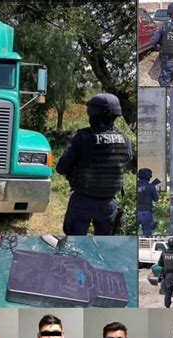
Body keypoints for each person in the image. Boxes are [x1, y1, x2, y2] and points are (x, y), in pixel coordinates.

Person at [56, 93, 133, 235]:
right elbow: (126, 163)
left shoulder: (83, 138)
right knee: (103, 246)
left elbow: (61, 167)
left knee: (75, 244)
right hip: (109, 204)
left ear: (92, 114)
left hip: (82, 202)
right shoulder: (125, 140)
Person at [137, 168, 159, 237]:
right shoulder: (151, 187)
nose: (151, 176)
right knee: (147, 234)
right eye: (150, 175)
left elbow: (141, 190)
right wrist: (152, 187)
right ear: (148, 176)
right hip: (146, 213)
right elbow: (156, 199)